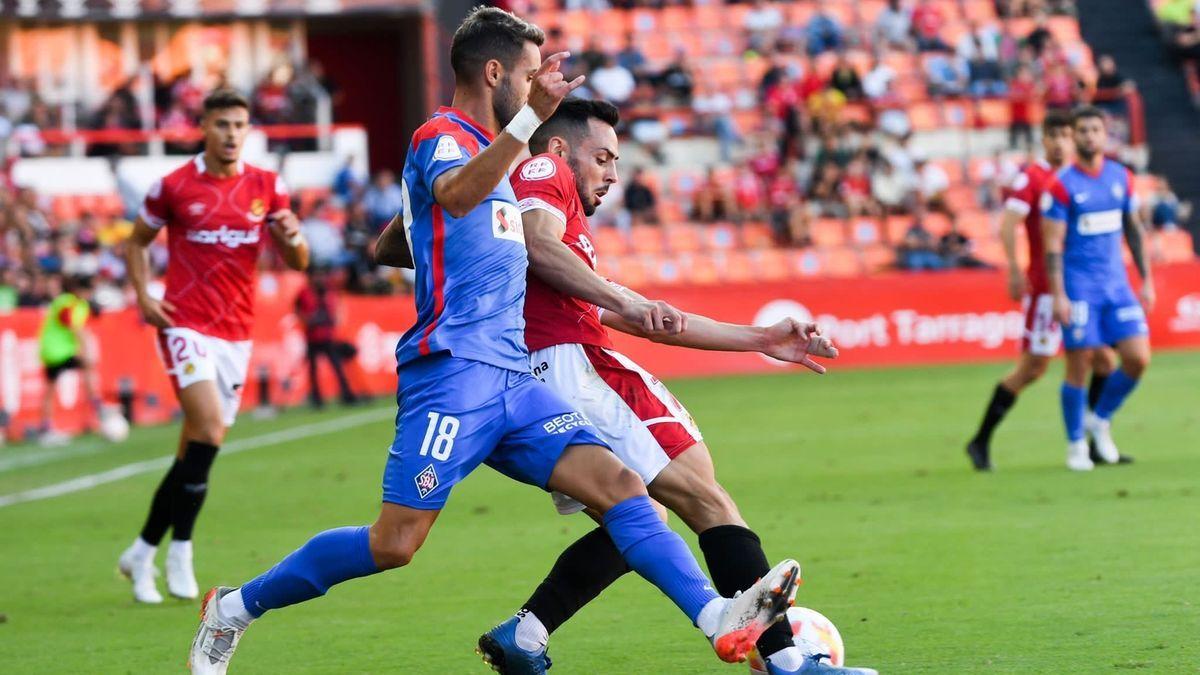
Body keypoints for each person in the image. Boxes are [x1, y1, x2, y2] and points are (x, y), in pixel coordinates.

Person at [186, 9, 800, 674]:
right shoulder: (442, 135)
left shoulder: (500, 156)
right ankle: (234, 606)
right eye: (531, 75)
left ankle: (717, 618)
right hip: (451, 374)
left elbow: (401, 235)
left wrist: (424, 221)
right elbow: (449, 194)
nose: (540, 87)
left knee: (624, 486)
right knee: (394, 543)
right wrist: (510, 136)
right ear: (495, 72)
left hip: (516, 379)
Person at [482, 97, 865, 675]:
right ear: (560, 148)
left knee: (636, 520)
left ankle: (525, 635)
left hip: (536, 378)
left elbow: (648, 319)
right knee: (704, 496)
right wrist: (619, 296)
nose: (612, 174)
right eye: (603, 158)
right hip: (573, 367)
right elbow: (541, 246)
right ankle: (788, 663)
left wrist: (760, 337)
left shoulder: (568, 248)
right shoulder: (544, 170)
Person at [117, 88, 309, 605]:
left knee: (194, 451)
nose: (231, 134)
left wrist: (292, 237)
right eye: (221, 124)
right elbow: (135, 242)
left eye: (239, 125)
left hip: (236, 334)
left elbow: (299, 261)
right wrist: (143, 294)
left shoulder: (267, 186)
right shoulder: (174, 186)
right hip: (184, 323)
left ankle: (140, 552)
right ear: (203, 126)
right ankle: (181, 550)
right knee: (204, 427)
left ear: (249, 130)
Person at [967, 112, 1122, 469]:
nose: (1059, 142)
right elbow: (1009, 225)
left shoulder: (1075, 178)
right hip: (1046, 290)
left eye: (1065, 135)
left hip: (1081, 287)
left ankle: (1093, 440)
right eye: (1052, 135)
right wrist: (1015, 269)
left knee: (1104, 361)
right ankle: (981, 439)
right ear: (1043, 139)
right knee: (1033, 368)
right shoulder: (1032, 177)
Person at [1042, 106, 1153, 471]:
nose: (1090, 136)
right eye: (1083, 130)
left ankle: (1099, 419)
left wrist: (1146, 279)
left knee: (1138, 358)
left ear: (1106, 135)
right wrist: (1059, 294)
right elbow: (1053, 244)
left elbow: (1133, 229)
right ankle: (1076, 445)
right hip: (1079, 288)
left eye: (1095, 129)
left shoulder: (1121, 177)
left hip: (1117, 286)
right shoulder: (1061, 185)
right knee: (1080, 365)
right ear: (1073, 136)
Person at [37, 275, 102, 446]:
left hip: (64, 350)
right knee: (52, 387)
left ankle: (95, 409)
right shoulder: (66, 302)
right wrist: (86, 346)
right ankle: (97, 405)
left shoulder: (82, 305)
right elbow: (71, 324)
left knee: (85, 368)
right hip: (55, 351)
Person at [295, 266, 358, 409]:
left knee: (337, 367)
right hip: (312, 337)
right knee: (313, 370)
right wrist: (307, 320)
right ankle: (317, 399)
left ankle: (346, 394)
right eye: (316, 276)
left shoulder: (327, 291)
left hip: (327, 336)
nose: (319, 279)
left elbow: (335, 309)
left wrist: (331, 319)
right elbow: (298, 310)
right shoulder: (304, 293)